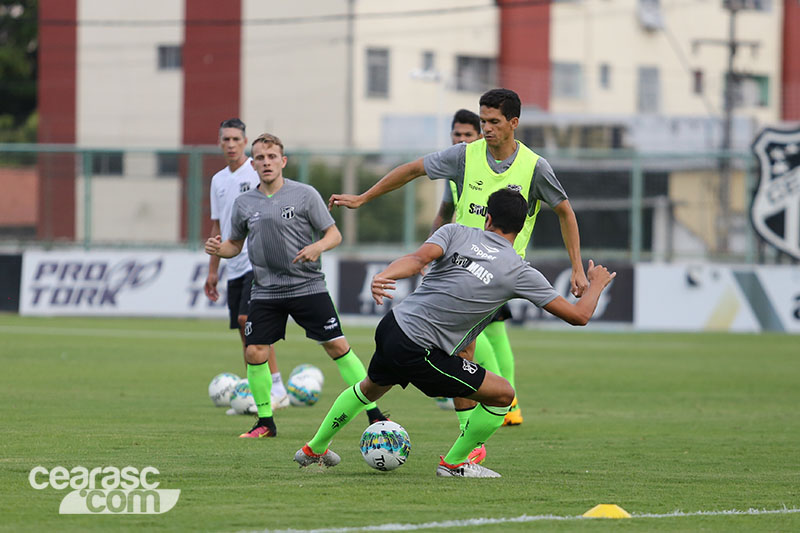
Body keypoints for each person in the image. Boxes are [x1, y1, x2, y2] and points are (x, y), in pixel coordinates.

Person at [295, 189, 615, 477]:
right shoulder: (519, 271)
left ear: (487, 217)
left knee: (370, 388)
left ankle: (313, 449)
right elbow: (579, 315)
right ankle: (455, 464)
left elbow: (417, 259)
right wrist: (597, 285)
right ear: (521, 228)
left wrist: (384, 274)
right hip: (420, 348)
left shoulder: (455, 231)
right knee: (503, 394)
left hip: (393, 326)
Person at [329, 89, 589, 430]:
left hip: (498, 274)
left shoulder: (535, 168)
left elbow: (565, 212)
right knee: (458, 352)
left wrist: (578, 267)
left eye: (494, 122)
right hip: (452, 261)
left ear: (514, 123)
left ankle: (473, 427)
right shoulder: (465, 156)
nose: (486, 128)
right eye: (483, 121)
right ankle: (470, 436)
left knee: (465, 351)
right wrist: (364, 198)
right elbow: (412, 170)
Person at [205, 133, 387, 438]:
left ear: (283, 161)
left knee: (337, 346)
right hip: (265, 290)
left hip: (308, 287)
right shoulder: (244, 203)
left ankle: (374, 412)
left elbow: (333, 234)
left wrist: (318, 248)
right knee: (254, 352)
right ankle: (266, 422)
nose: (266, 162)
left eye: (272, 157)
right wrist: (218, 249)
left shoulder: (304, 195)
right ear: (253, 163)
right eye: (260, 158)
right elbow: (235, 244)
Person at [205, 118, 289, 413]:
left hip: (259, 261)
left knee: (249, 322)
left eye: (236, 139)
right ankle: (258, 391)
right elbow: (218, 225)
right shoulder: (217, 180)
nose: (230, 144)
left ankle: (277, 386)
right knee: (246, 331)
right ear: (220, 142)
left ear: (244, 142)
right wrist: (213, 269)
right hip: (233, 264)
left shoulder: (254, 171)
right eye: (225, 139)